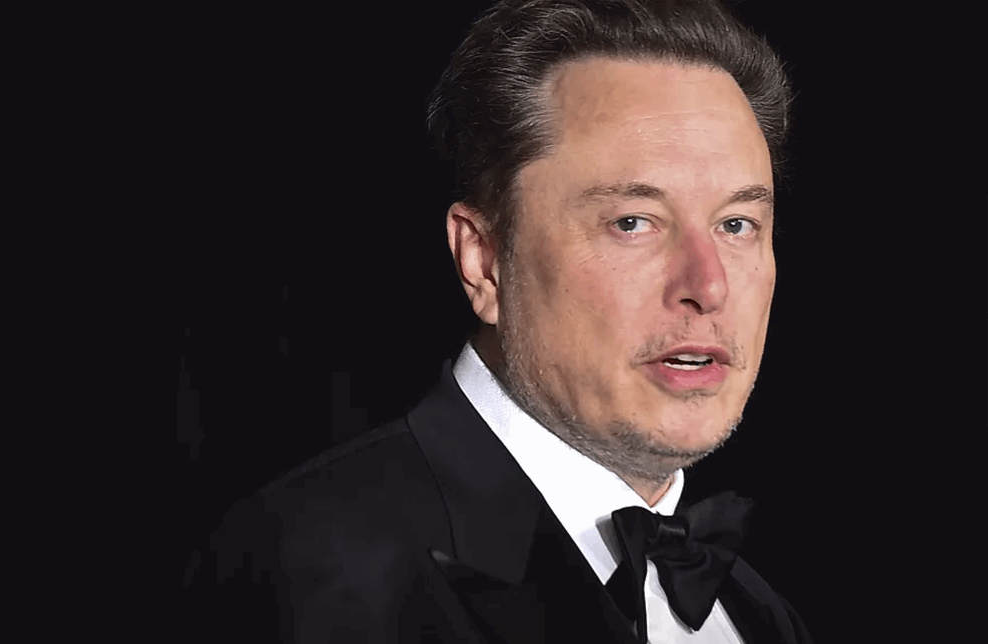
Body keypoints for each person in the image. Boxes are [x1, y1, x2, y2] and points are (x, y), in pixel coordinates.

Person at [183, 1, 811, 641]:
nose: (708, 286)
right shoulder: (312, 568)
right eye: (632, 223)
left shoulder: (759, 615)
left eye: (737, 225)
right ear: (483, 261)